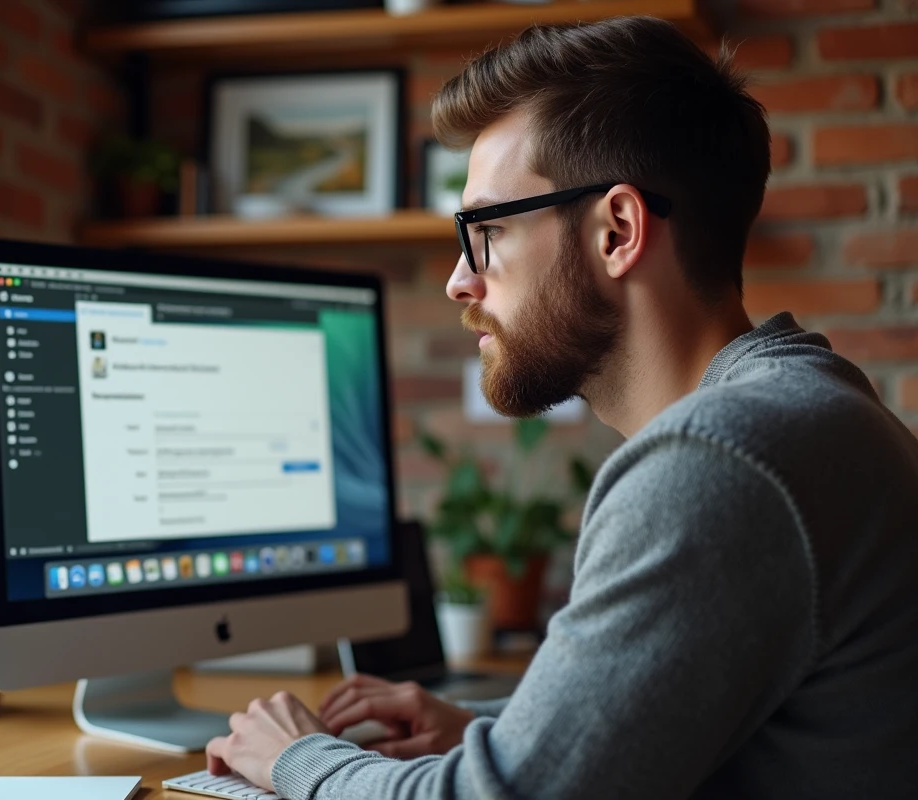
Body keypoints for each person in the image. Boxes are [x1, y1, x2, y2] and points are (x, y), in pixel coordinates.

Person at [204, 15, 918, 799]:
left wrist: (297, 756)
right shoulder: (807, 406)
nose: (459, 281)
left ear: (616, 231)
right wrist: (490, 729)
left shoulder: (720, 459)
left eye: (487, 231)